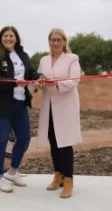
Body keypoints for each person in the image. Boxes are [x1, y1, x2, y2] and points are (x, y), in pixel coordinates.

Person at [0, 26, 40, 193]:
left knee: (24, 139)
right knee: (1, 140)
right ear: (1, 39)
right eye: (5, 36)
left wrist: (39, 77)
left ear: (16, 38)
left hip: (20, 103)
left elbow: (29, 72)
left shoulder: (23, 55)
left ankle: (12, 172)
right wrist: (14, 82)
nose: (8, 39)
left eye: (11, 36)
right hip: (0, 105)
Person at [34, 28, 82, 198]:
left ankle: (68, 180)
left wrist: (56, 84)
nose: (55, 43)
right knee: (53, 142)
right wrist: (39, 82)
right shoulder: (44, 60)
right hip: (49, 106)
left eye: (58, 39)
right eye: (52, 40)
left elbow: (74, 80)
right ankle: (58, 175)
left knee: (65, 143)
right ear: (49, 42)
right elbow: (40, 77)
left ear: (64, 42)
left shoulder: (72, 58)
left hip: (65, 106)